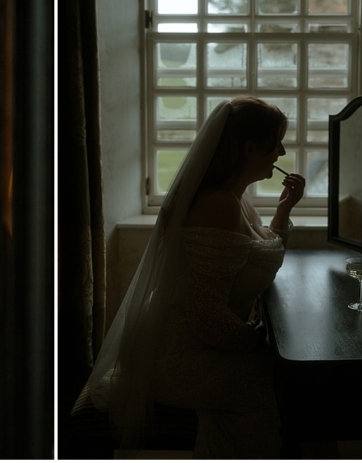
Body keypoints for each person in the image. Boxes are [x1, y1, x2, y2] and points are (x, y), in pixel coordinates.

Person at [81, 96, 305, 458]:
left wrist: (283, 212)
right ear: (250, 148)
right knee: (283, 384)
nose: (281, 152)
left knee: (290, 379)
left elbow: (261, 254)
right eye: (276, 142)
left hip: (203, 342)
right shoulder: (217, 206)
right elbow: (205, 315)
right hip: (181, 358)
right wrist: (256, 341)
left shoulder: (237, 197)